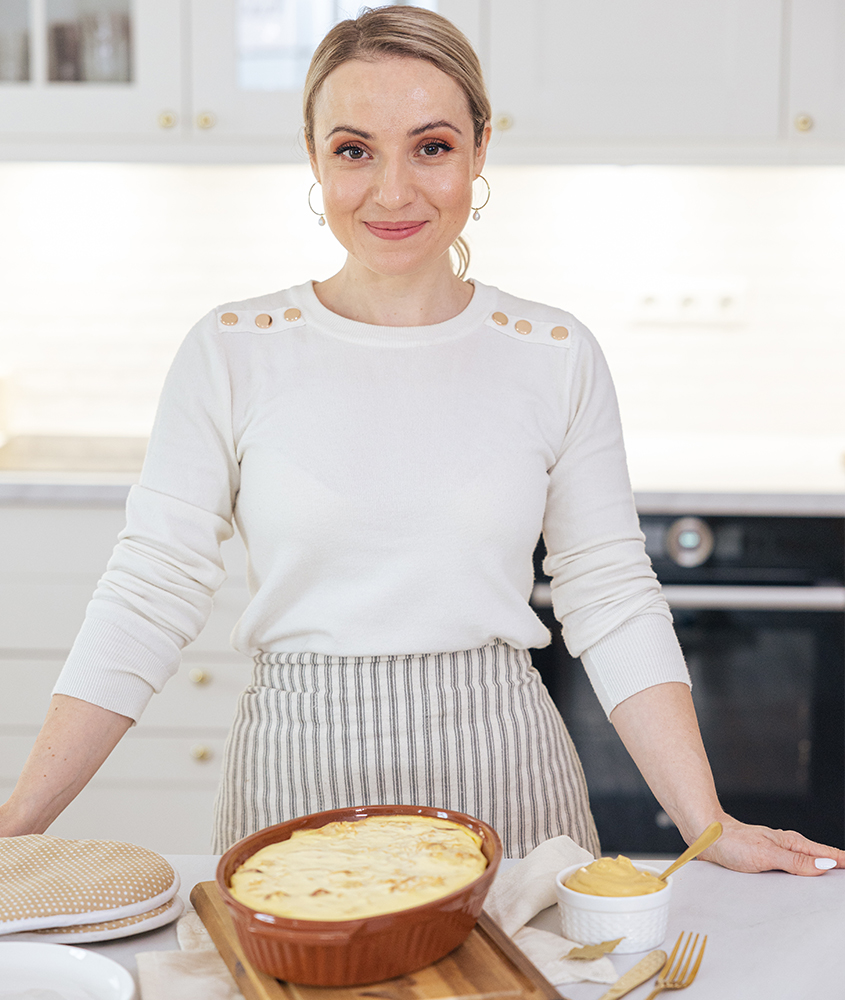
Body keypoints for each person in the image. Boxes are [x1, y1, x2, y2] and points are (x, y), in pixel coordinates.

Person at [1, 6, 842, 872]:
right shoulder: (232, 350)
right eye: (353, 150)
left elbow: (610, 594)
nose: (393, 191)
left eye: (431, 146)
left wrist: (707, 823)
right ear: (313, 156)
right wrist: (17, 821)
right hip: (293, 784)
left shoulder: (553, 354)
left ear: (479, 150)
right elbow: (148, 594)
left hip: (508, 787)